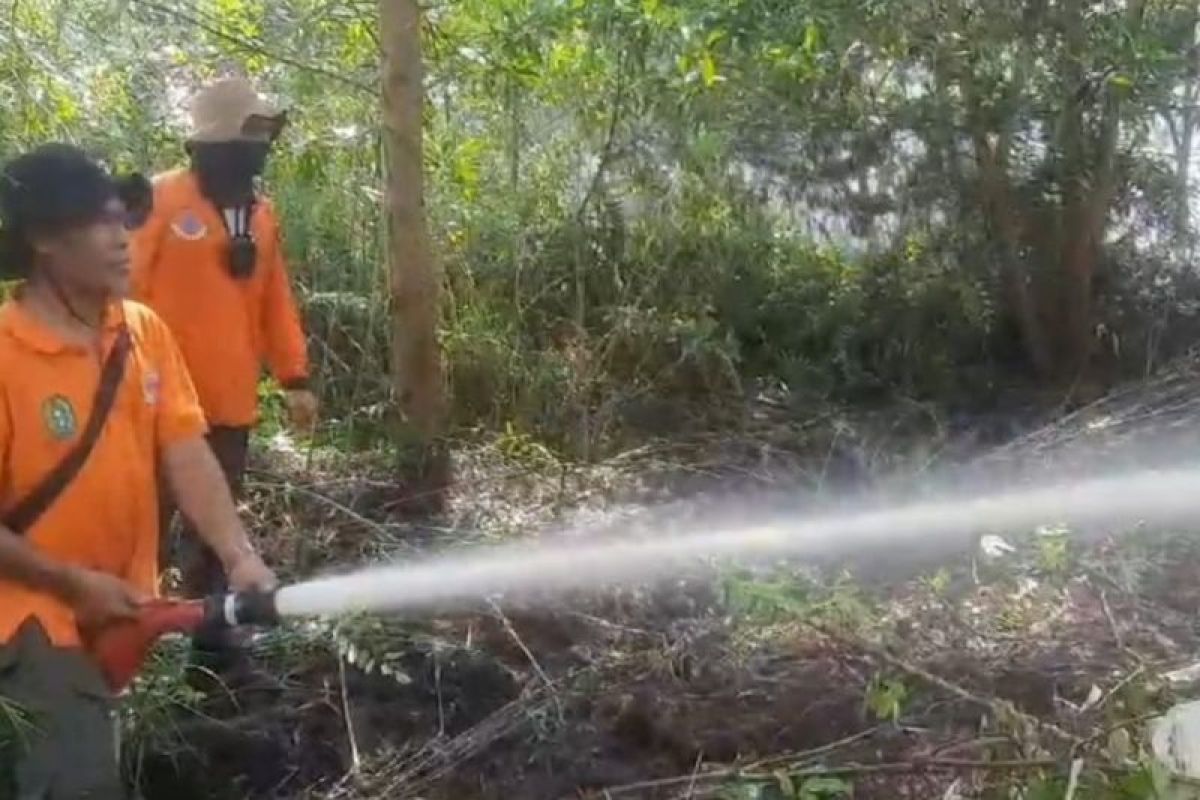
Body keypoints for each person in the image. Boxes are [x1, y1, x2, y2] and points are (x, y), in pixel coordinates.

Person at [0, 143, 278, 798]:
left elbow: (186, 450)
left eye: (123, 217)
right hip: (27, 617)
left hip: (113, 614)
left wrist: (238, 556)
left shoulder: (142, 332)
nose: (123, 236)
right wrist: (72, 582)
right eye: (99, 222)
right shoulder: (6, 355)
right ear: (43, 239)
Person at [130, 76, 315, 667]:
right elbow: (118, 291)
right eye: (254, 131)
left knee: (216, 527)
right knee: (141, 522)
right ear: (221, 136)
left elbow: (274, 301)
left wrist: (295, 378)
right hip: (151, 400)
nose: (263, 144)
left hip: (229, 401)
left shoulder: (261, 216)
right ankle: (128, 637)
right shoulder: (159, 199)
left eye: (268, 132)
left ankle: (208, 635)